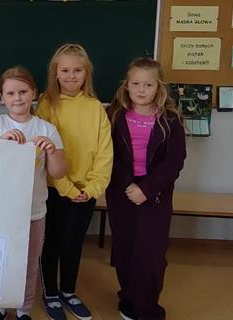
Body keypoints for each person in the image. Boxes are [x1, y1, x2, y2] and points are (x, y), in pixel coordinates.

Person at [0, 66, 67, 320]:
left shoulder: (47, 129)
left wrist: (52, 151)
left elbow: (58, 172)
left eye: (23, 92)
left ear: (34, 93)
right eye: (10, 93)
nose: (17, 98)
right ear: (2, 97)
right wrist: (0, 145)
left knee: (28, 262)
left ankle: (23, 310)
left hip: (33, 211)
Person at [37, 44, 113, 320]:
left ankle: (68, 290)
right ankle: (51, 292)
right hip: (55, 189)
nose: (71, 76)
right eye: (65, 70)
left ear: (86, 73)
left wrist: (91, 188)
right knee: (52, 244)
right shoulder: (47, 104)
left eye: (77, 70)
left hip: (84, 192)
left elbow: (105, 153)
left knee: (73, 244)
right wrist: (66, 187)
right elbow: (44, 151)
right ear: (55, 73)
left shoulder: (95, 108)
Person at [106, 58, 186, 320]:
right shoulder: (114, 115)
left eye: (148, 84)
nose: (141, 90)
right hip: (122, 193)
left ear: (158, 87)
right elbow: (108, 155)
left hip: (155, 196)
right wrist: (128, 185)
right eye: (136, 84)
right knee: (125, 249)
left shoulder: (170, 120)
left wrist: (147, 189)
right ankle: (129, 298)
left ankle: (148, 308)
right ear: (127, 86)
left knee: (151, 254)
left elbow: (174, 161)